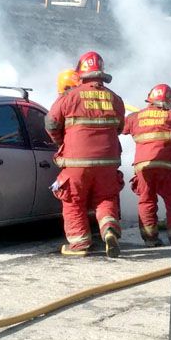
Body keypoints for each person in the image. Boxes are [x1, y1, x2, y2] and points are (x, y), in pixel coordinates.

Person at [46, 51, 126, 258]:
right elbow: (119, 127)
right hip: (108, 162)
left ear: (81, 72)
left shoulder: (69, 96)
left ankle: (80, 243)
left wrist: (61, 141)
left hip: (76, 161)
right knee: (106, 198)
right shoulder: (115, 99)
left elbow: (51, 123)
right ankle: (109, 231)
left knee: (74, 201)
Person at [123, 83, 171, 247]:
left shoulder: (136, 117)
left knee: (146, 200)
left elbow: (121, 127)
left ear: (150, 99)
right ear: (170, 100)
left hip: (143, 167)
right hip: (168, 166)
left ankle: (150, 239)